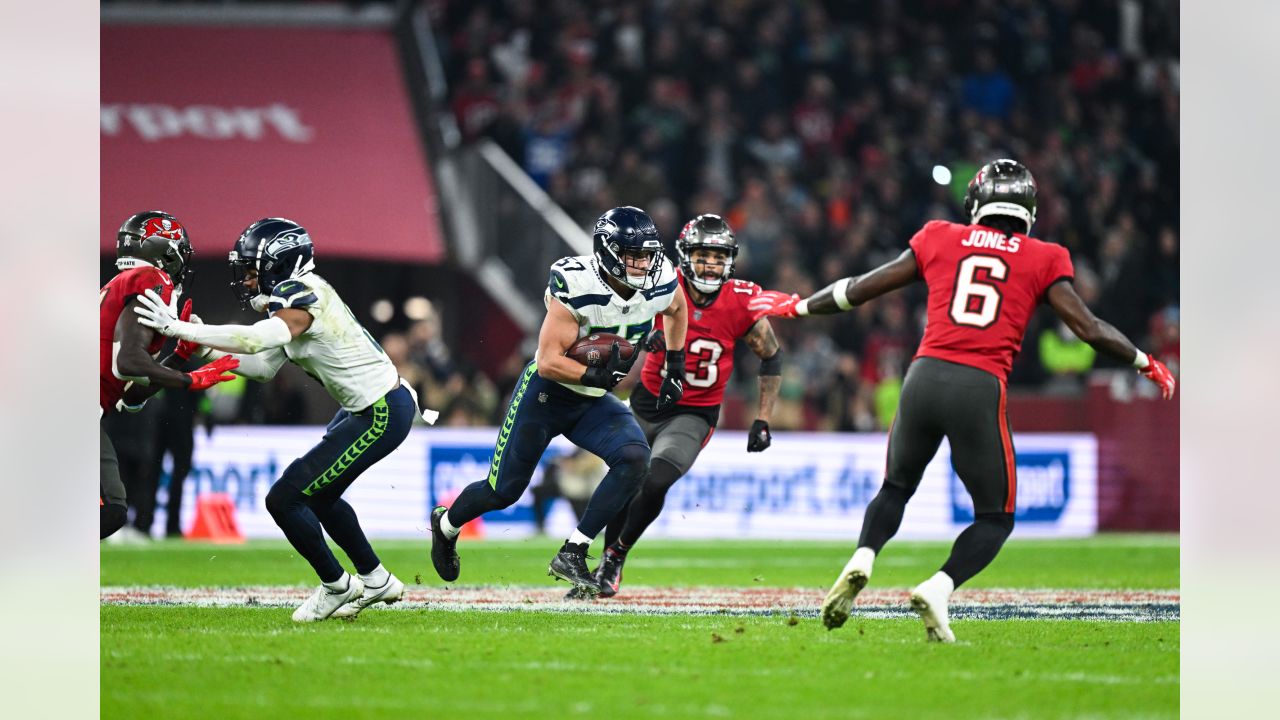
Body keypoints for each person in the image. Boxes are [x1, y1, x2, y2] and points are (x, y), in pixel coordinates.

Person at [752, 160, 1176, 642]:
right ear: (1028, 210)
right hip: (979, 384)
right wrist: (1145, 360)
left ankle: (863, 556)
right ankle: (938, 587)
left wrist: (800, 306)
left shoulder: (939, 236)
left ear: (976, 203)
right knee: (995, 517)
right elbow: (1088, 328)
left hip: (923, 375)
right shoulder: (1044, 256)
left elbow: (861, 288)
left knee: (895, 488)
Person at [134, 217, 425, 622]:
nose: (248, 281)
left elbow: (259, 338)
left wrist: (181, 327)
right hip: (369, 408)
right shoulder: (299, 295)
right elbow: (261, 366)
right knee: (320, 495)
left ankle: (337, 586)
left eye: (252, 270)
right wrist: (200, 344)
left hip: (380, 411)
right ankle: (376, 578)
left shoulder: (300, 293)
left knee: (284, 498)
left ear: (278, 262)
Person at [427, 206, 689, 597]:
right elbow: (548, 361)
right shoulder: (578, 285)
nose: (642, 265)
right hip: (547, 394)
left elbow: (677, 307)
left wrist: (675, 364)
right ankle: (446, 525)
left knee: (635, 459)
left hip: (593, 399)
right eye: (632, 256)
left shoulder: (660, 279)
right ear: (607, 252)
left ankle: (574, 549)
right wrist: (592, 375)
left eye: (647, 256)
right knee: (504, 491)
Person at [589, 214, 783, 598]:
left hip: (694, 412)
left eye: (718, 256)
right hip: (646, 403)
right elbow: (619, 322)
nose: (711, 264)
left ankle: (615, 556)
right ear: (685, 255)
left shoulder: (740, 302)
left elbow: (772, 357)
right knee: (624, 481)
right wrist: (644, 339)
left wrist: (763, 418)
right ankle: (602, 564)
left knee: (655, 479)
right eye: (703, 254)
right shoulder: (660, 284)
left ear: (730, 260)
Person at [100, 210, 239, 540]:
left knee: (112, 510)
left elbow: (130, 396)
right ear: (164, 250)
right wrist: (190, 379)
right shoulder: (151, 278)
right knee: (108, 511)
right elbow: (131, 362)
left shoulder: (119, 285)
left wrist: (177, 359)